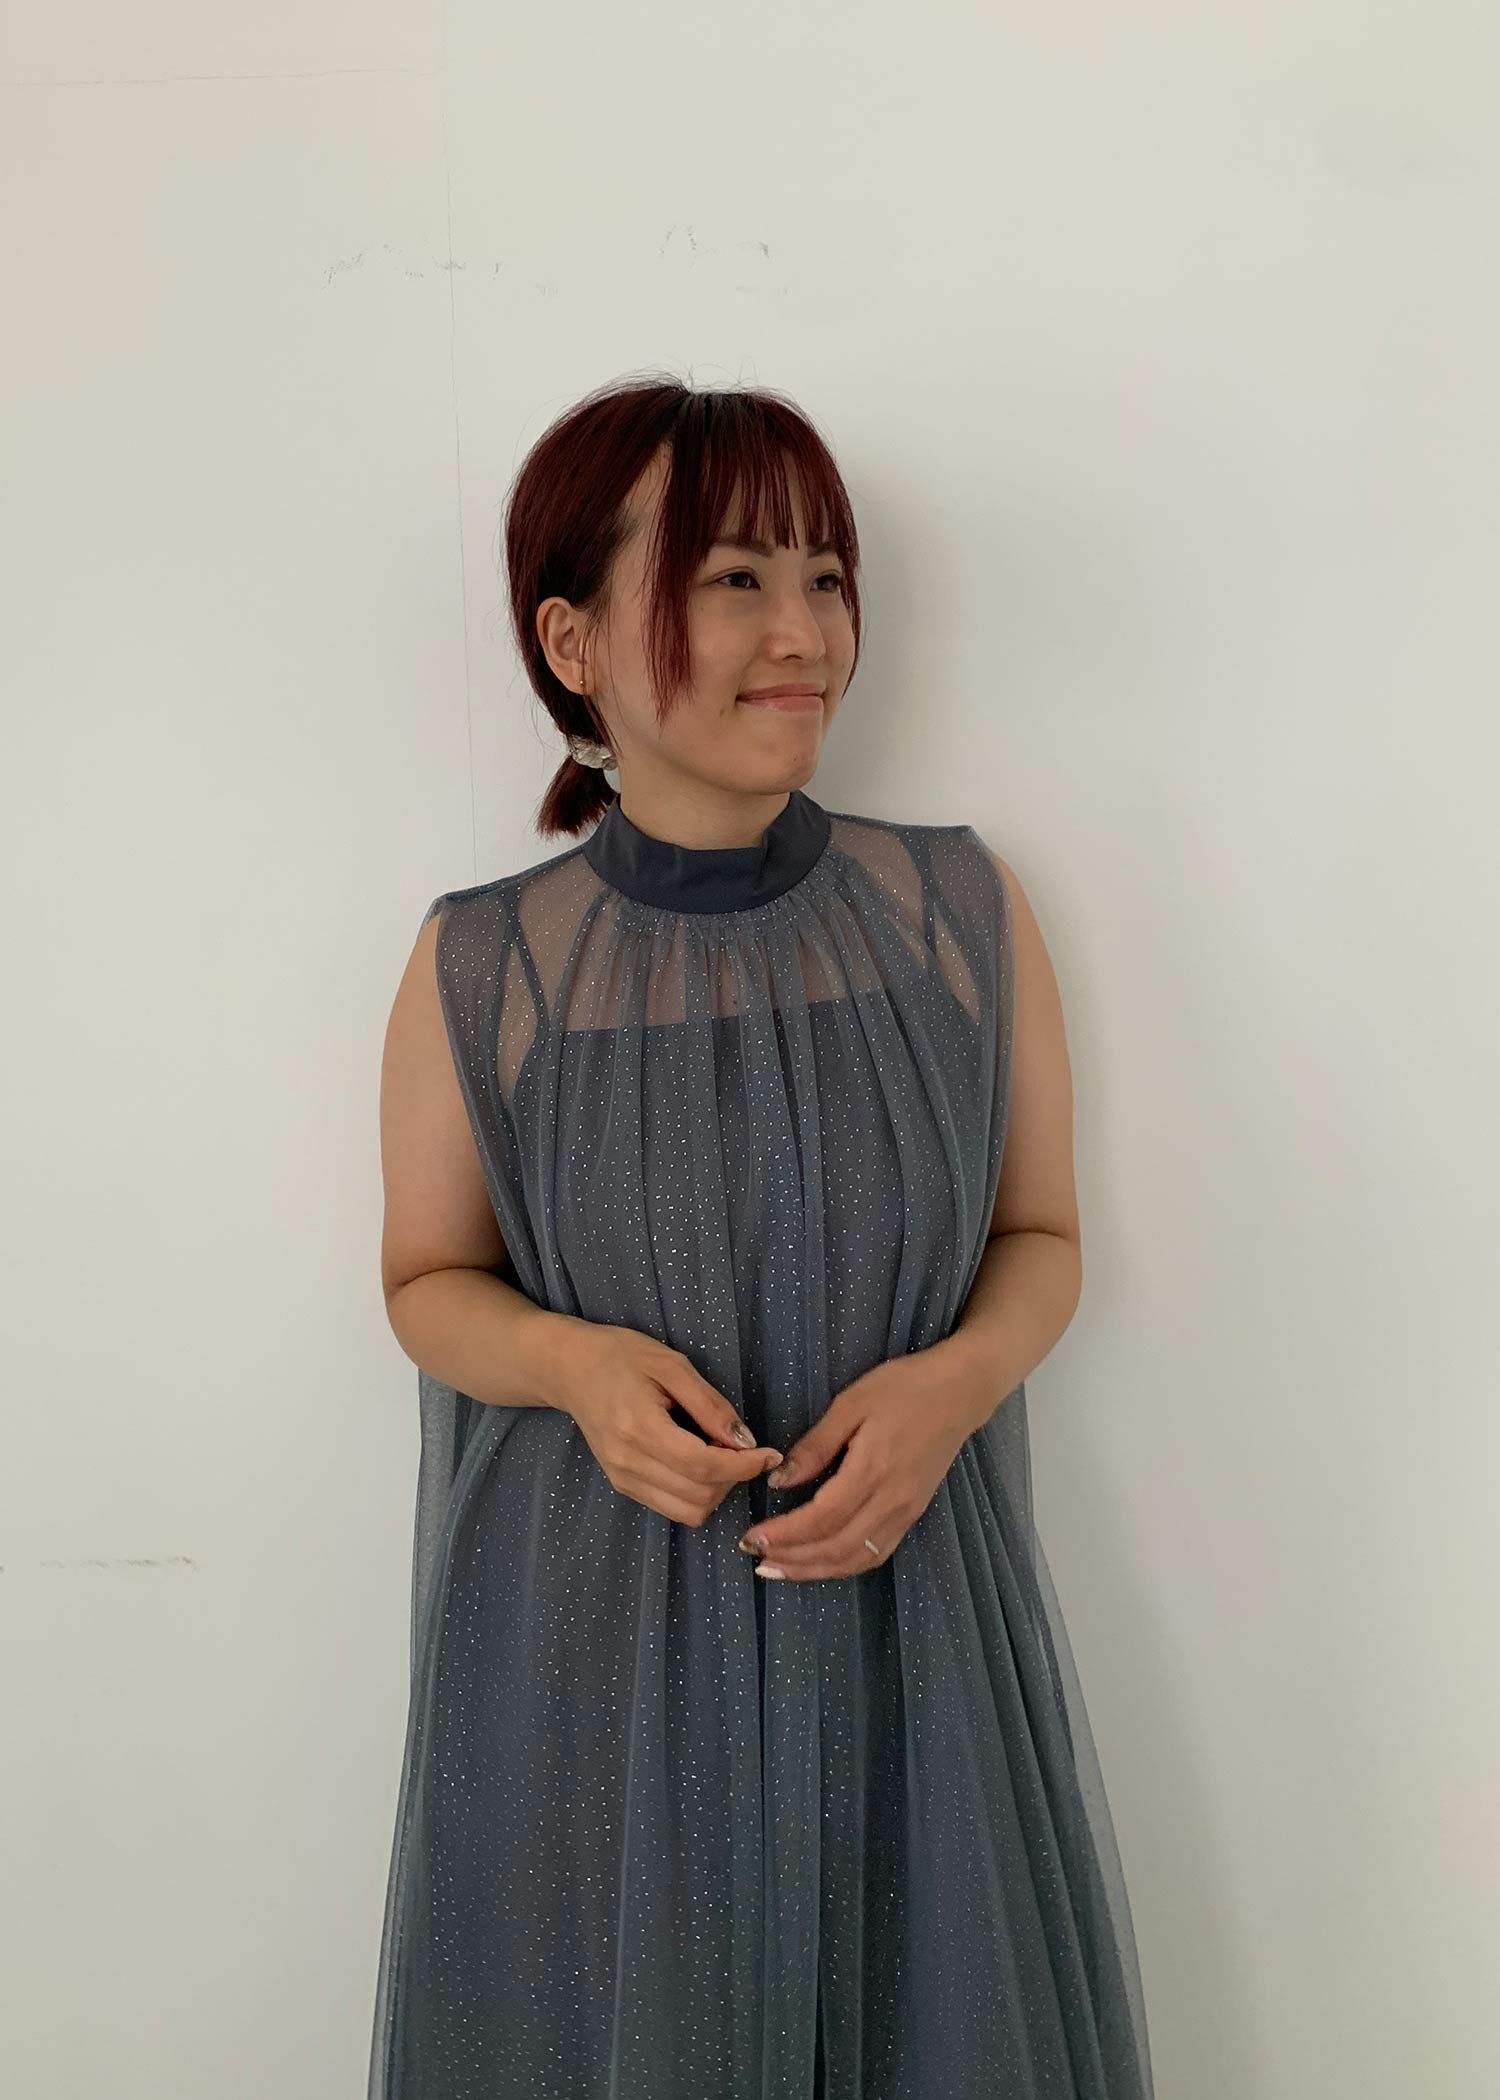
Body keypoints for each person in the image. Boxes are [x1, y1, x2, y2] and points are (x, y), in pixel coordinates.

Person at [369, 376, 1155, 2098]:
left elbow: (1042, 1234)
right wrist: (571, 1367)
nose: (804, 633)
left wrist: (956, 1385)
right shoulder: (483, 968)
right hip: (599, 1660)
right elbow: (425, 1282)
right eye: (734, 579)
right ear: (573, 641)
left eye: (825, 577)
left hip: (909, 1629)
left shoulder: (957, 913)